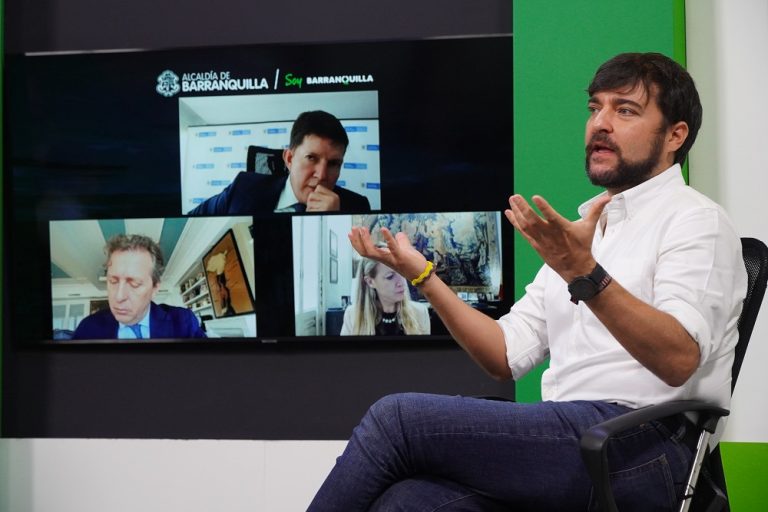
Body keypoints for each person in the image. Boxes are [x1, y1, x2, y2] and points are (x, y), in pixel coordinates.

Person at [308, 52, 747, 511]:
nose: (600, 123)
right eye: (595, 107)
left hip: (644, 451)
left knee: (394, 420)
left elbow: (678, 359)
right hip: (571, 437)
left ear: (676, 135)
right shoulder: (586, 231)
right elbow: (504, 354)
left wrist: (583, 272)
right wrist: (421, 276)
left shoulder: (696, 221)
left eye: (625, 110)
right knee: (410, 501)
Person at [187, 110, 371, 215]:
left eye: (333, 163)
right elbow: (190, 218)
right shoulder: (243, 188)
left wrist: (334, 219)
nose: (322, 175)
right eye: (311, 158)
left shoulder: (356, 207)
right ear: (289, 159)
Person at [72, 234, 207, 340]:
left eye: (134, 284)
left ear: (154, 288)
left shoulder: (184, 323)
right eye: (113, 281)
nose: (119, 297)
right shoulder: (87, 329)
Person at [340, 255, 430, 336]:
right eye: (390, 276)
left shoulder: (420, 312)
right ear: (370, 282)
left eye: (402, 272)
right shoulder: (353, 315)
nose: (402, 282)